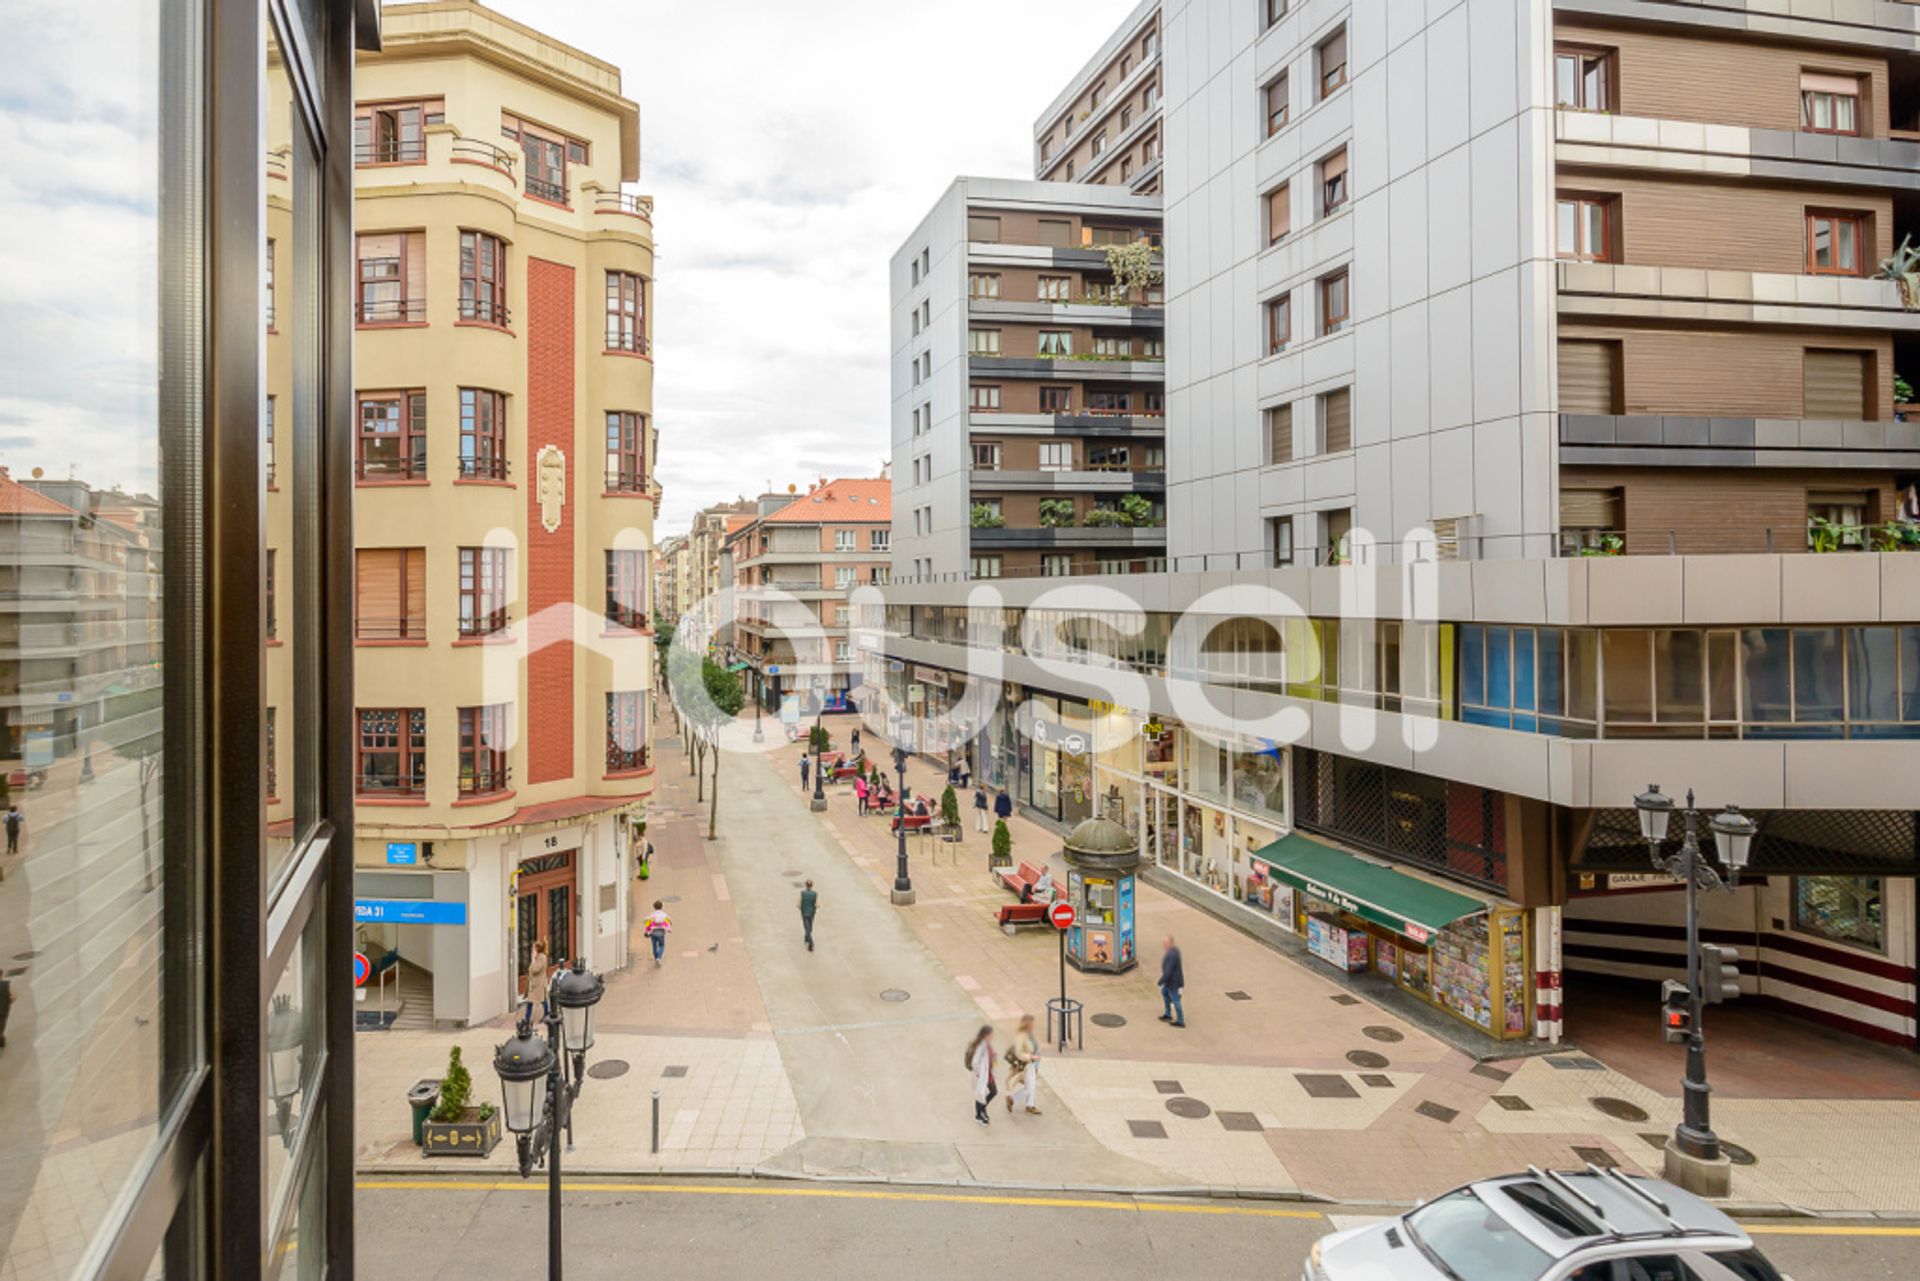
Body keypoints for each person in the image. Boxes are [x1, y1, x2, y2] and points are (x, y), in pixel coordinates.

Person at [1007, 1014, 1041, 1116]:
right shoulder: (1021, 1036)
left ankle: (1029, 1106)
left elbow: (1034, 1047)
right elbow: (1018, 1053)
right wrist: (1030, 1057)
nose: (1033, 1026)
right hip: (1026, 1065)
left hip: (1033, 1063)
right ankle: (1013, 1099)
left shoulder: (1029, 1034)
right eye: (1031, 1024)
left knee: (1031, 1085)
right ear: (1026, 1024)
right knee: (1030, 1087)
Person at [966, 1024, 998, 1126]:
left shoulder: (987, 1044)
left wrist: (993, 1057)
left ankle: (983, 1109)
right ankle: (978, 1116)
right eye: (991, 1034)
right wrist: (981, 1074)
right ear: (986, 1035)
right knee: (980, 1095)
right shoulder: (980, 1046)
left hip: (988, 1073)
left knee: (993, 1091)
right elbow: (975, 1063)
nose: (993, 1036)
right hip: (982, 1075)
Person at [1158, 935, 1186, 1028]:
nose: (1164, 945)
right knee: (1164, 992)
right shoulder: (1174, 951)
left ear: (1170, 944)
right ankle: (1168, 1014)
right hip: (1170, 981)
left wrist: (1161, 981)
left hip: (1173, 983)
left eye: (1165, 944)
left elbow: (1168, 971)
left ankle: (1180, 1021)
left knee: (1176, 1000)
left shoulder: (1172, 955)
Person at [522, 939, 550, 1023]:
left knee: (541, 1001)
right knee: (532, 1002)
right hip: (536, 984)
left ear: (537, 949)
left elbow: (534, 969)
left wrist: (533, 959)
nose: (531, 950)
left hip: (538, 985)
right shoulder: (540, 957)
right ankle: (527, 1018)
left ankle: (546, 1015)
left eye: (533, 948)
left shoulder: (541, 958)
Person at [644, 901, 673, 966]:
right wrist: (668, 928)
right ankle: (658, 956)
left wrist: (647, 930)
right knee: (661, 945)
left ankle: (656, 956)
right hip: (661, 933)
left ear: (654, 907)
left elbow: (646, 921)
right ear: (661, 907)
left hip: (653, 933)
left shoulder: (652, 915)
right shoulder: (664, 915)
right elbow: (669, 921)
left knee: (654, 945)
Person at [799, 879, 818, 952]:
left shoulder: (802, 893)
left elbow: (798, 904)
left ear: (806, 885)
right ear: (812, 885)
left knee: (806, 927)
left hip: (804, 912)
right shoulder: (815, 894)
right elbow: (817, 904)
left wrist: (801, 907)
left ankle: (810, 942)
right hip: (812, 913)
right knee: (810, 926)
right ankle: (807, 937)